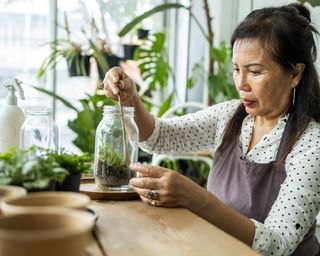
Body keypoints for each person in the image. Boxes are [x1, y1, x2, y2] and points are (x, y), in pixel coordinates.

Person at [103, 3, 320, 255]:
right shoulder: (229, 116)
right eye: (236, 69)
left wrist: (193, 197)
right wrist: (131, 100)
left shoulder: (311, 144)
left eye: (255, 72)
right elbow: (160, 136)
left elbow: (277, 245)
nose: (241, 84)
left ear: (295, 74)